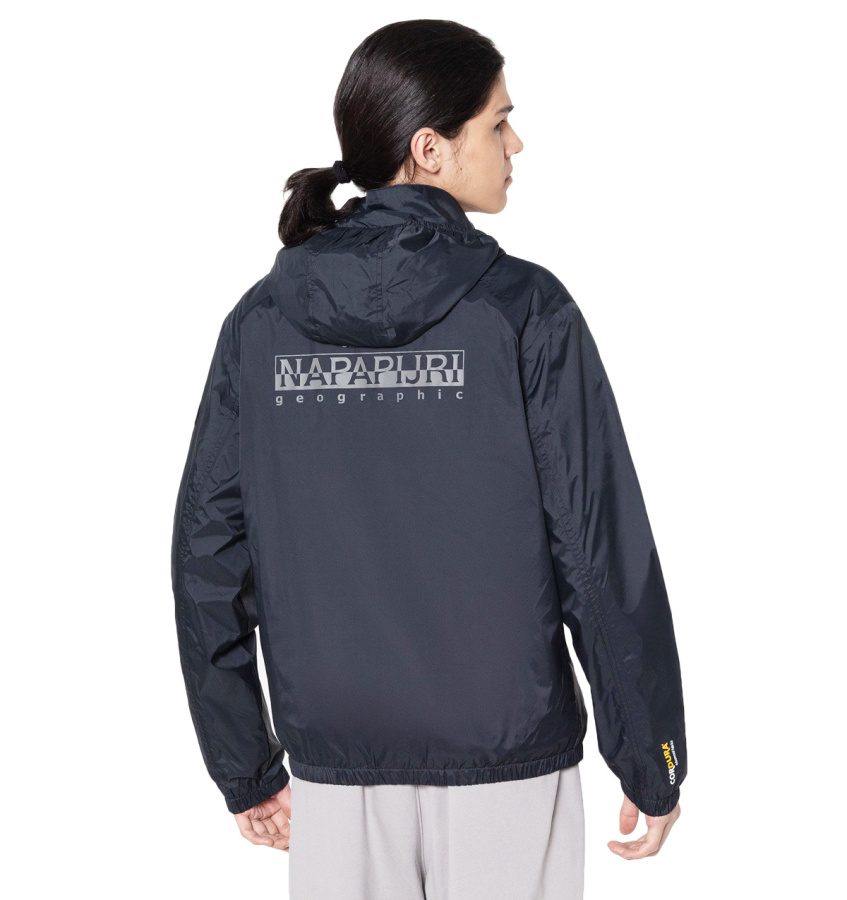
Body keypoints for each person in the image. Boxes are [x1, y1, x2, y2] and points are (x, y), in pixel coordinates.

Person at [170, 18, 686, 900]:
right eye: (498, 122)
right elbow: (596, 550)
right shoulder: (523, 310)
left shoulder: (262, 321)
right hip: (506, 757)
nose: (516, 145)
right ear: (429, 148)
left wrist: (243, 763)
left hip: (334, 764)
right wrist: (652, 755)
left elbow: (206, 559)